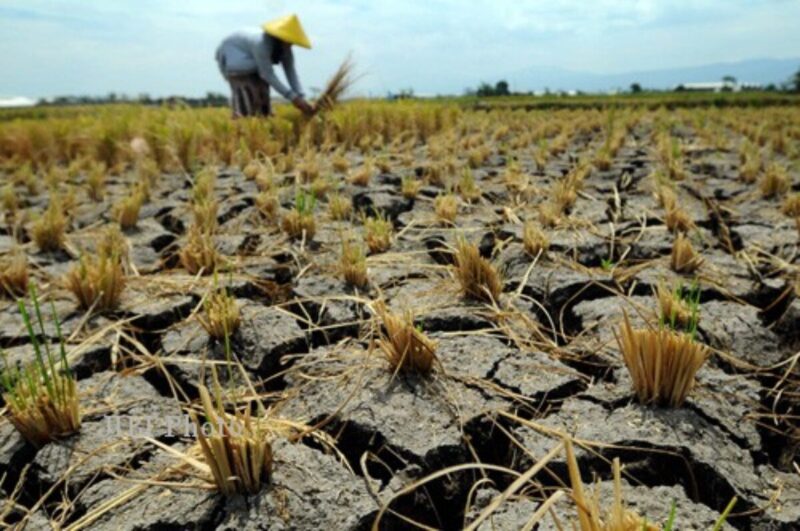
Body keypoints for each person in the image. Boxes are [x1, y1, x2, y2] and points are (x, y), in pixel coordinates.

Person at [215, 14, 315, 118]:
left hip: (253, 63)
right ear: (280, 37)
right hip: (234, 59)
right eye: (288, 41)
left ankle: (262, 118)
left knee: (263, 102)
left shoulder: (285, 49)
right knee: (247, 104)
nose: (290, 44)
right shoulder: (261, 44)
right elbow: (267, 74)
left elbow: (290, 72)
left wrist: (301, 96)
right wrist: (293, 98)